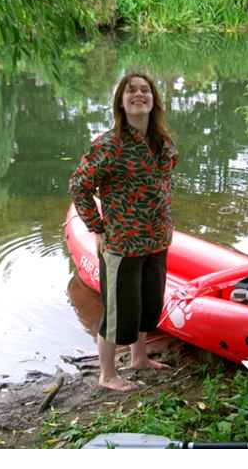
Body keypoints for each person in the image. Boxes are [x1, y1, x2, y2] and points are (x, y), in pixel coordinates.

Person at [68, 71, 178, 391]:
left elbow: (164, 180)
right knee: (119, 312)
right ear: (121, 102)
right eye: (131, 91)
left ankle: (138, 358)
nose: (139, 95)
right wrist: (97, 228)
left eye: (145, 90)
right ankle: (107, 375)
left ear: (154, 99)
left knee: (147, 305)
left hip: (157, 240)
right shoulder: (109, 145)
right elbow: (78, 187)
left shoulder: (163, 143)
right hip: (123, 244)